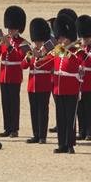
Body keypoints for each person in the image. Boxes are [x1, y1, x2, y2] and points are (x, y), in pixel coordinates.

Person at [35, 14, 82, 154]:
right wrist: (38, 59)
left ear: (67, 38)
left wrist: (62, 51)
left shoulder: (77, 51)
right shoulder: (58, 50)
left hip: (71, 88)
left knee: (70, 119)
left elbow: (75, 64)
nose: (59, 40)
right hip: (58, 88)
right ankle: (62, 144)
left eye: (61, 37)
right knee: (60, 118)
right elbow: (45, 62)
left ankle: (70, 144)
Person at [0, 5, 28, 138]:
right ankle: (7, 127)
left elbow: (20, 57)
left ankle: (14, 129)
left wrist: (9, 46)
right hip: (3, 75)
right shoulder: (4, 39)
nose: (10, 30)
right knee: (5, 102)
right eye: (9, 28)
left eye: (12, 28)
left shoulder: (23, 43)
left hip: (14, 75)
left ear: (18, 29)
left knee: (14, 102)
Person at [21, 18, 52, 144]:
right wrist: (29, 58)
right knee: (34, 110)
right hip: (32, 85)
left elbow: (48, 65)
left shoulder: (49, 51)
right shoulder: (31, 51)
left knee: (43, 111)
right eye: (35, 41)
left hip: (44, 85)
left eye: (38, 41)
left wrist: (39, 57)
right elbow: (23, 66)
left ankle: (43, 136)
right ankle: (36, 135)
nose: (37, 43)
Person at [74, 15, 91, 141]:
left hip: (89, 82)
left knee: (89, 107)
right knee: (79, 107)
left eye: (87, 37)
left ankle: (90, 132)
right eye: (84, 37)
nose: (85, 39)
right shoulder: (77, 49)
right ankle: (82, 131)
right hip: (78, 82)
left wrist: (85, 55)